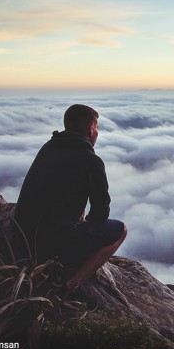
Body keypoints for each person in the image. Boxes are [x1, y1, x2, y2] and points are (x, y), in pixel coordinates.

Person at [15, 104, 127, 291]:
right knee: (120, 230)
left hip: (21, 238)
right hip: (50, 246)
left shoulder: (48, 147)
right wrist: (83, 226)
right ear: (92, 130)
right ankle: (68, 285)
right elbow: (101, 213)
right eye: (97, 129)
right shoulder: (91, 160)